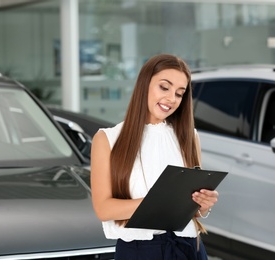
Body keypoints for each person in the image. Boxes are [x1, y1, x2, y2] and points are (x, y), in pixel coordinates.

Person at [90, 53, 219, 259]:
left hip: (189, 247)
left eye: (179, 93)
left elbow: (190, 209)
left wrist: (202, 205)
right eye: (164, 87)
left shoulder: (189, 137)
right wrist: (161, 202)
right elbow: (104, 209)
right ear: (144, 84)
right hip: (139, 251)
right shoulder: (107, 139)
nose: (171, 99)